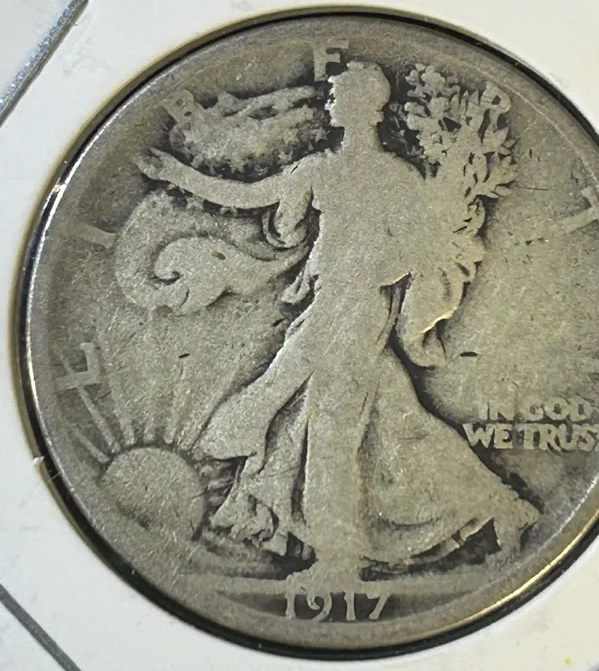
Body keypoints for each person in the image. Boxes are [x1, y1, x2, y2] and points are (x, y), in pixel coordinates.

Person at [137, 62, 538, 584]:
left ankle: (337, 560)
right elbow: (248, 195)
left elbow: (416, 250)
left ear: (364, 107)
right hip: (333, 303)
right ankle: (502, 505)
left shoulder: (392, 177)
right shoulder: (325, 169)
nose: (328, 104)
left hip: (357, 308)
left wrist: (374, 271)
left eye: (337, 96)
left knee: (328, 427)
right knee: (397, 419)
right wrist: (178, 175)